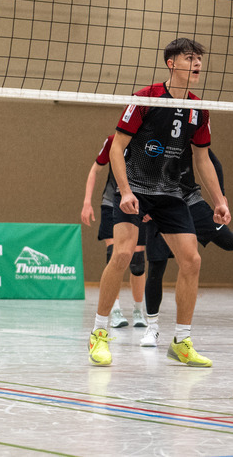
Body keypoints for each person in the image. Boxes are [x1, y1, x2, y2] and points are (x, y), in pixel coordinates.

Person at [88, 37, 229, 368]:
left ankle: (181, 341)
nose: (197, 64)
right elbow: (115, 148)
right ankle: (99, 334)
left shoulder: (198, 108)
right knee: (122, 254)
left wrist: (219, 199)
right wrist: (124, 191)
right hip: (133, 187)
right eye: (189, 58)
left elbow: (203, 159)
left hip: (169, 191)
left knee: (191, 260)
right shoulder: (144, 99)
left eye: (199, 59)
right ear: (171, 63)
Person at [139, 147, 233, 348]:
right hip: (158, 203)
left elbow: (212, 162)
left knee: (230, 242)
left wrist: (221, 199)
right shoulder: (148, 136)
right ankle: (152, 328)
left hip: (190, 201)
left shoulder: (189, 130)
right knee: (156, 267)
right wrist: (144, 202)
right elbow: (134, 168)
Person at [80, 134, 148, 329]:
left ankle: (138, 310)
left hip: (138, 204)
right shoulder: (113, 141)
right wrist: (87, 202)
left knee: (137, 261)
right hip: (112, 202)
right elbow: (95, 170)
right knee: (114, 255)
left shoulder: (150, 142)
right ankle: (115, 310)